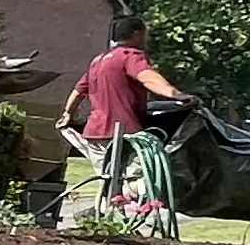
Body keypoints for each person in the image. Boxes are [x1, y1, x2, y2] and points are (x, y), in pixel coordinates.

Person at [69, 14, 187, 223]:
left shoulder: (98, 60)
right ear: (137, 34)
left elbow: (79, 90)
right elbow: (147, 77)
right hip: (125, 132)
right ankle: (128, 213)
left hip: (96, 133)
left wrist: (68, 114)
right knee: (146, 179)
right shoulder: (130, 55)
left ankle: (108, 218)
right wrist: (177, 95)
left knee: (109, 180)